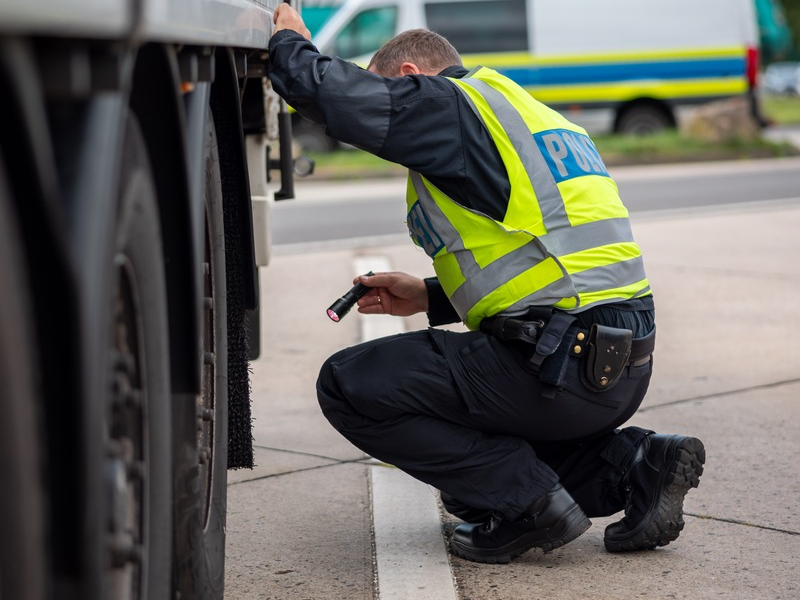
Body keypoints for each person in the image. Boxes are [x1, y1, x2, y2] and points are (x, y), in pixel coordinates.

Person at [268, 4, 705, 564]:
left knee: (349, 386)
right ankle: (638, 466)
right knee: (470, 490)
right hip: (617, 369)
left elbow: (338, 99)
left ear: (410, 80)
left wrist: (288, 43)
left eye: (393, 95)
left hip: (556, 366)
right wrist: (428, 296)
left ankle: (532, 508)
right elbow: (554, 262)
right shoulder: (526, 114)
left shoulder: (447, 103)